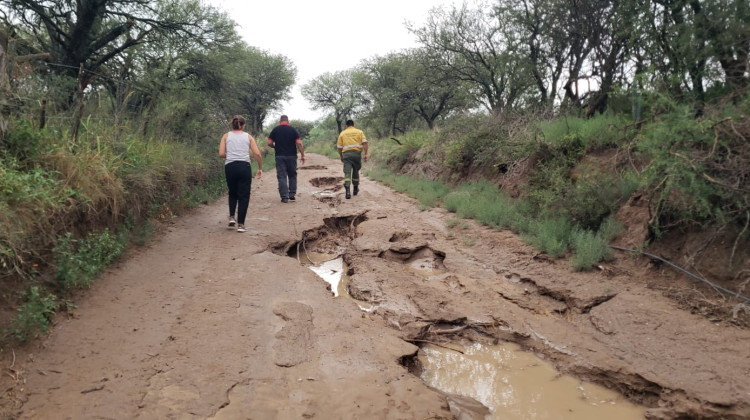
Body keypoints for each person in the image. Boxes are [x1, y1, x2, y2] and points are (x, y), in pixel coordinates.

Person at [219, 115, 263, 232]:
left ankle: (232, 217)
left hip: (230, 166)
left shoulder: (226, 136)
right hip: (244, 167)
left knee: (232, 192)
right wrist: (260, 168)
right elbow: (257, 154)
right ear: (243, 125)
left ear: (232, 124)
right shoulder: (248, 137)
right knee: (244, 195)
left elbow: (221, 153)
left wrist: (231, 155)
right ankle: (241, 224)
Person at [267, 115, 305, 203]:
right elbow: (299, 143)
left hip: (279, 156)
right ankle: (292, 194)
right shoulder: (293, 130)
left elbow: (269, 143)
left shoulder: (275, 130)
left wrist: (275, 147)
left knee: (282, 176)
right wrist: (303, 155)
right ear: (288, 121)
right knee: (292, 175)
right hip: (292, 156)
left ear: (280, 121)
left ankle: (284, 197)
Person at [337, 119, 368, 199]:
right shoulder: (359, 132)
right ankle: (355, 189)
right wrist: (366, 154)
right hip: (357, 155)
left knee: (347, 173)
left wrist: (341, 156)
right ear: (353, 125)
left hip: (347, 155)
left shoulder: (343, 133)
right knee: (355, 171)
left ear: (346, 126)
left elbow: (339, 147)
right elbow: (364, 143)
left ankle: (347, 192)